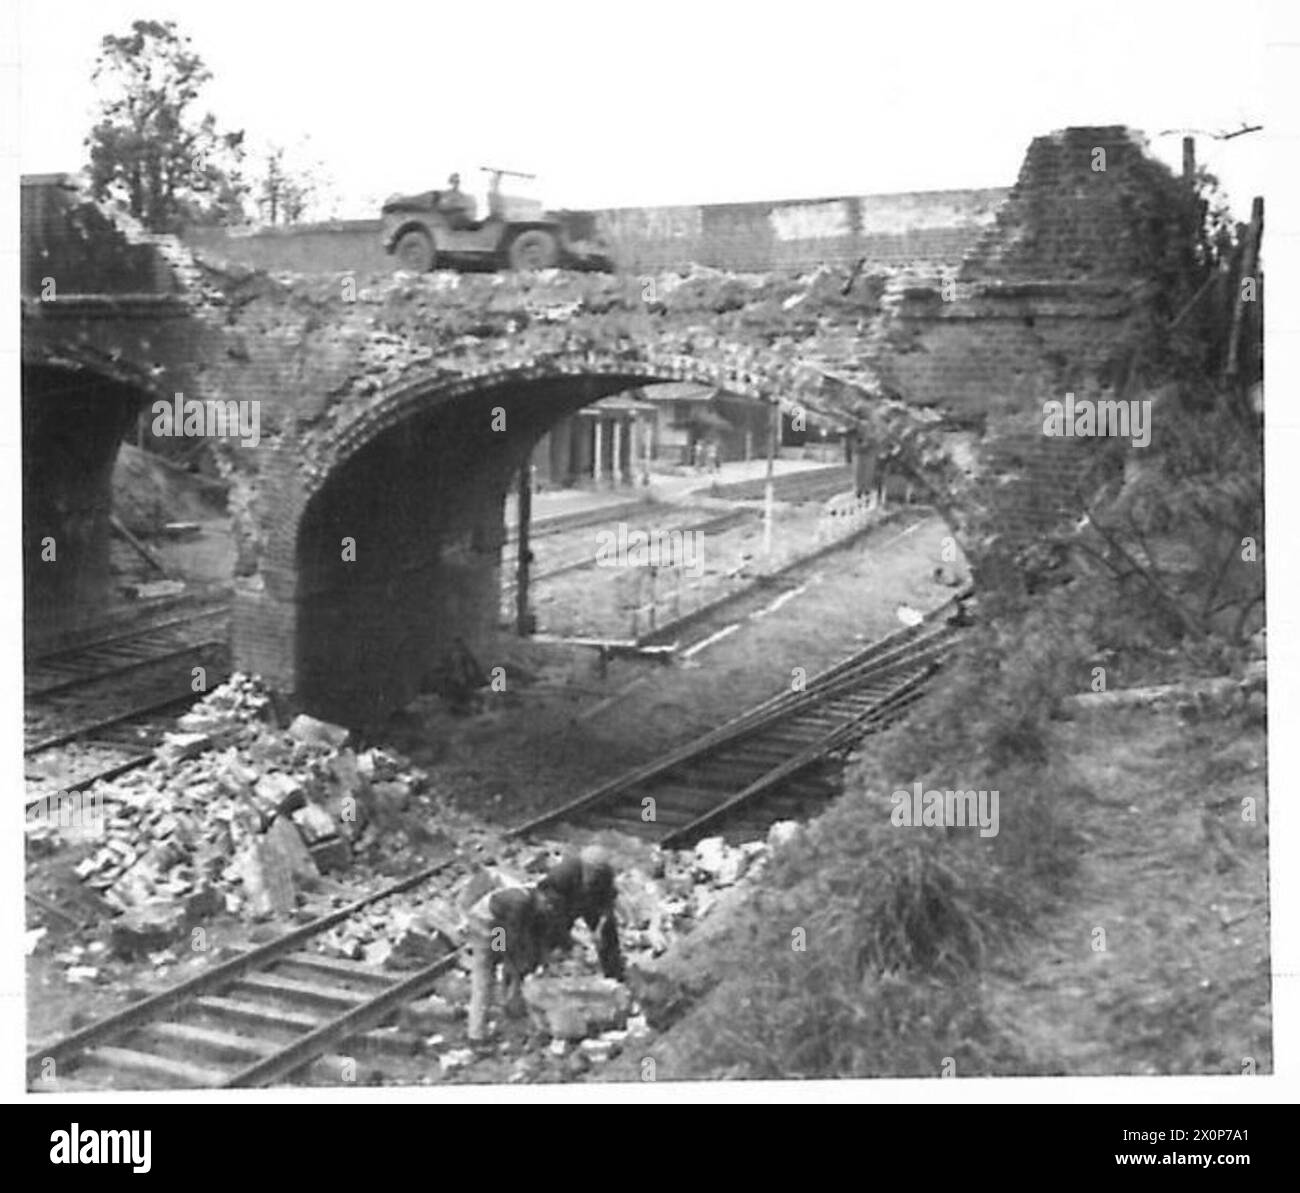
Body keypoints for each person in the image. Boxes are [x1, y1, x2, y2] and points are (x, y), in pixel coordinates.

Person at [466, 852, 625, 1041]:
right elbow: (509, 940)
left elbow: (548, 932)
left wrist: (562, 949)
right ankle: (477, 1034)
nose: (550, 908)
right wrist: (514, 967)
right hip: (489, 924)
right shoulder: (520, 904)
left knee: (516, 963)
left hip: (504, 925)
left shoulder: (540, 906)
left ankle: (511, 1002)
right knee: (486, 969)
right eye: (548, 906)